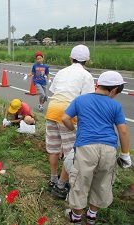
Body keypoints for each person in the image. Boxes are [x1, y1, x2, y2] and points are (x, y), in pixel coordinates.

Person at [62, 71, 131, 225]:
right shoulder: (115, 105)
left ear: (98, 85)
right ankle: (92, 215)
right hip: (109, 149)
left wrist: (73, 129)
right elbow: (123, 131)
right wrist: (125, 154)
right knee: (102, 181)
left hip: (86, 147)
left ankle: (76, 217)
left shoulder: (81, 100)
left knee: (81, 180)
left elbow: (65, 118)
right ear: (113, 90)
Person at [45, 45, 95, 200]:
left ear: (71, 58)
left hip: (52, 110)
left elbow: (54, 91)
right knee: (70, 152)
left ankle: (53, 180)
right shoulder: (86, 76)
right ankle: (61, 185)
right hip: (69, 114)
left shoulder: (61, 72)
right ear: (87, 60)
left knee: (53, 149)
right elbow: (86, 100)